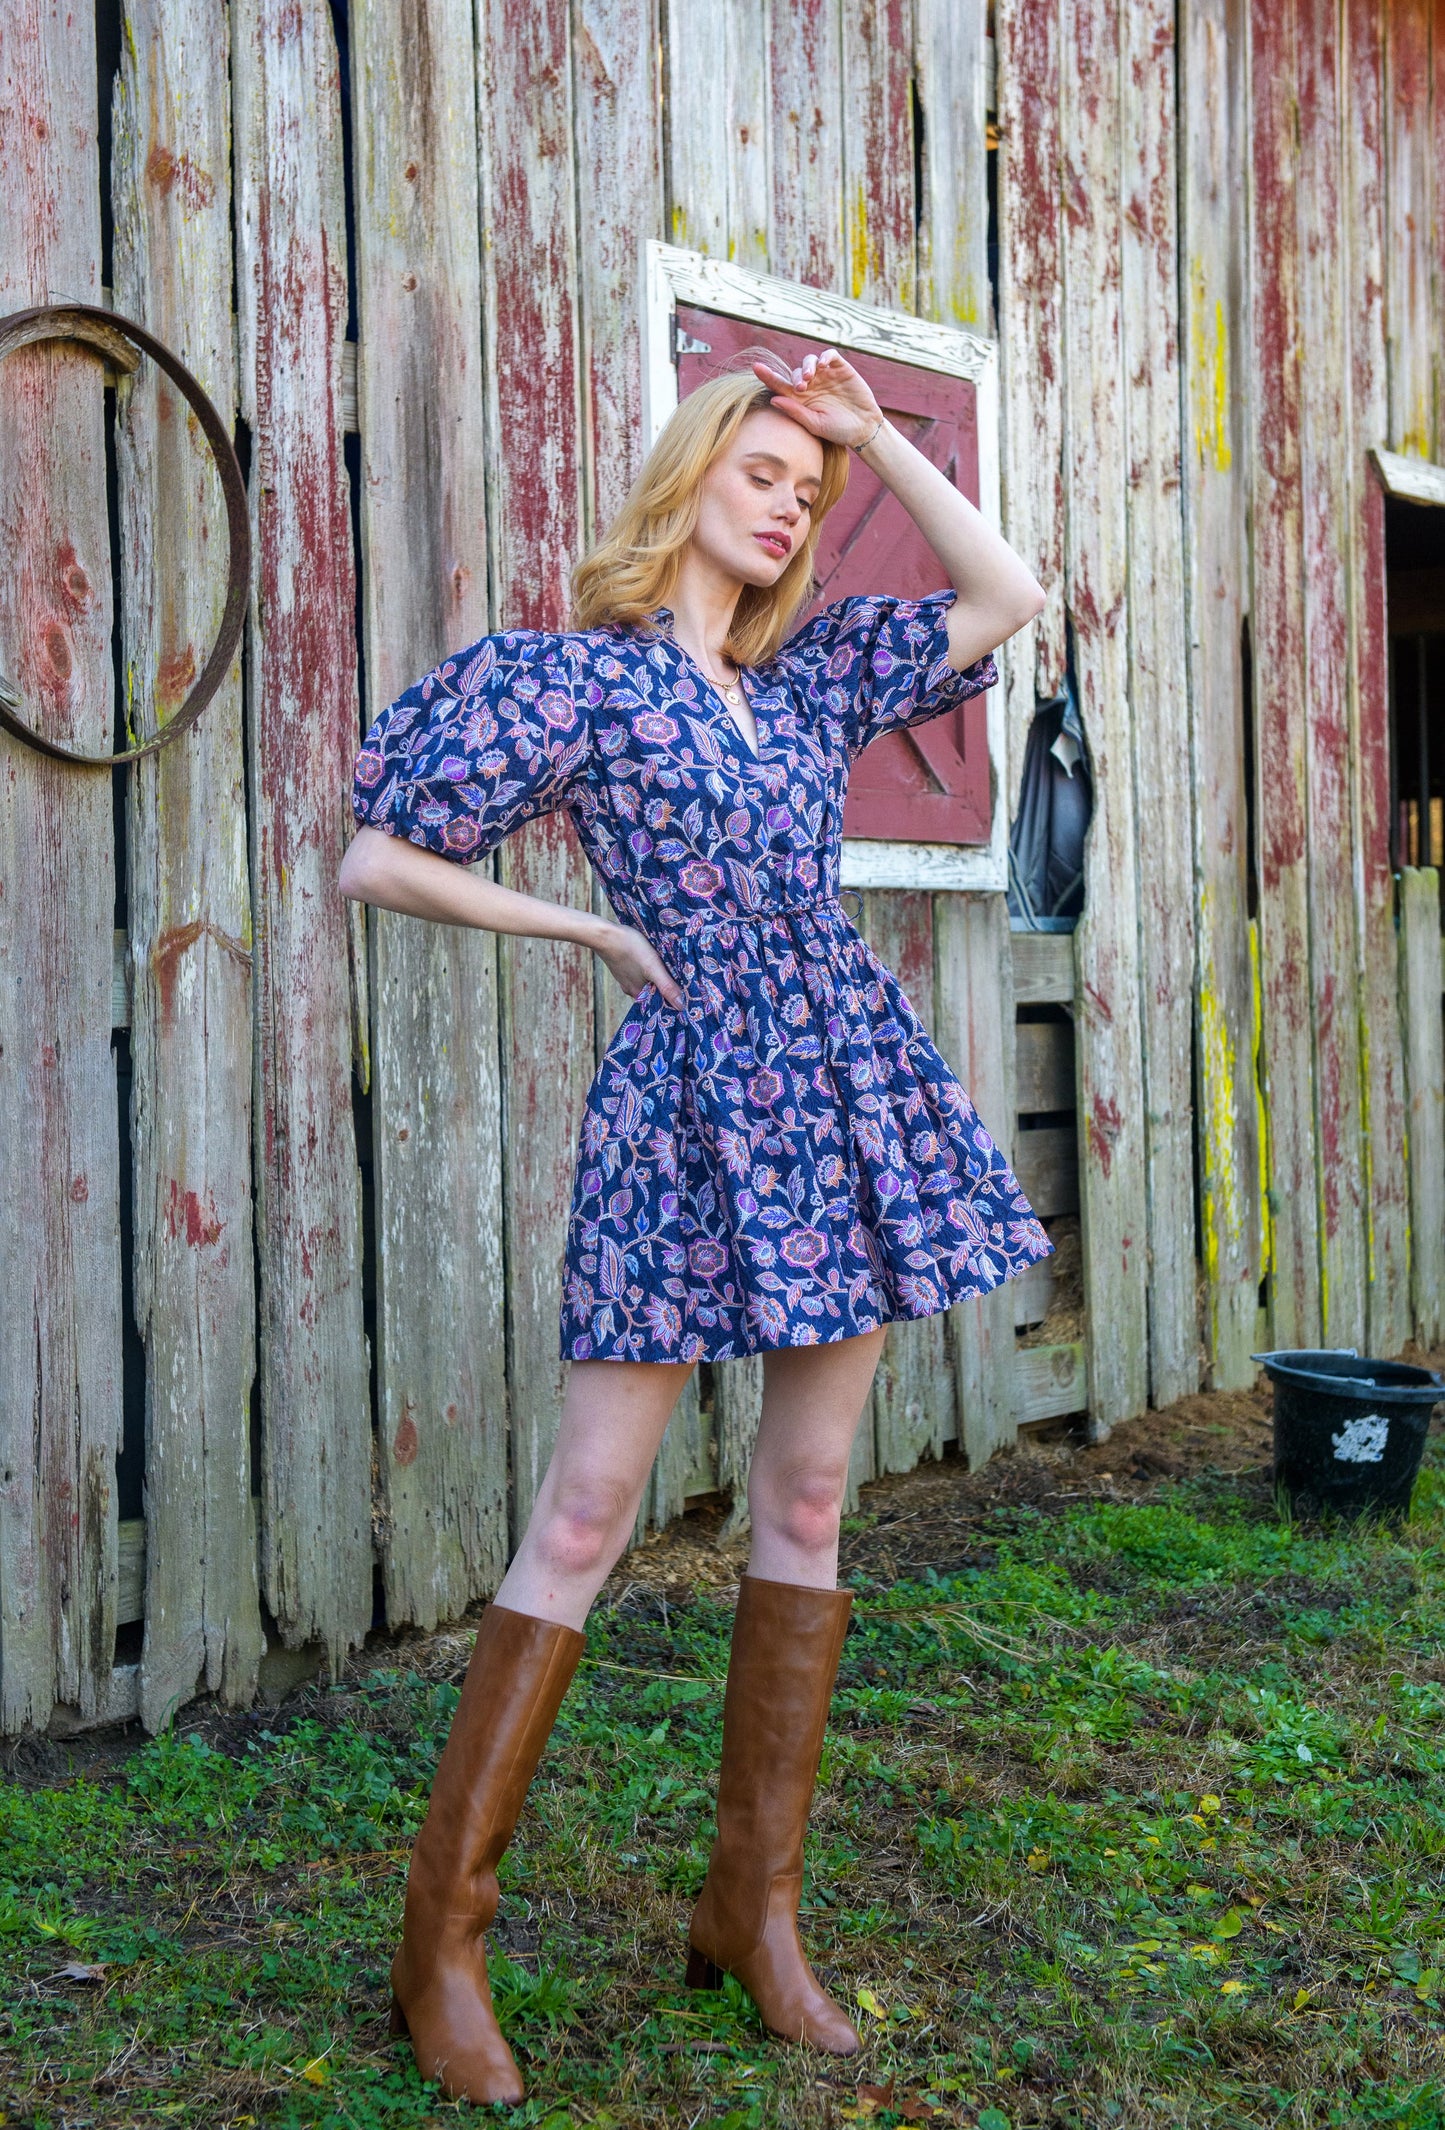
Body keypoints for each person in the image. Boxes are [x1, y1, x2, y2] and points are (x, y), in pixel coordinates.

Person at [340, 347, 1052, 2105]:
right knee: (588, 1505)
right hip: (682, 1097)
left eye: (806, 494)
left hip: (839, 1085)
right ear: (686, 481)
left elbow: (1005, 594)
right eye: (764, 473)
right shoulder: (572, 685)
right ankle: (442, 1939)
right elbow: (376, 857)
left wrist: (876, 434)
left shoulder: (802, 682)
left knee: (808, 1494)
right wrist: (584, 936)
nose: (790, 502)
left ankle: (753, 1913)